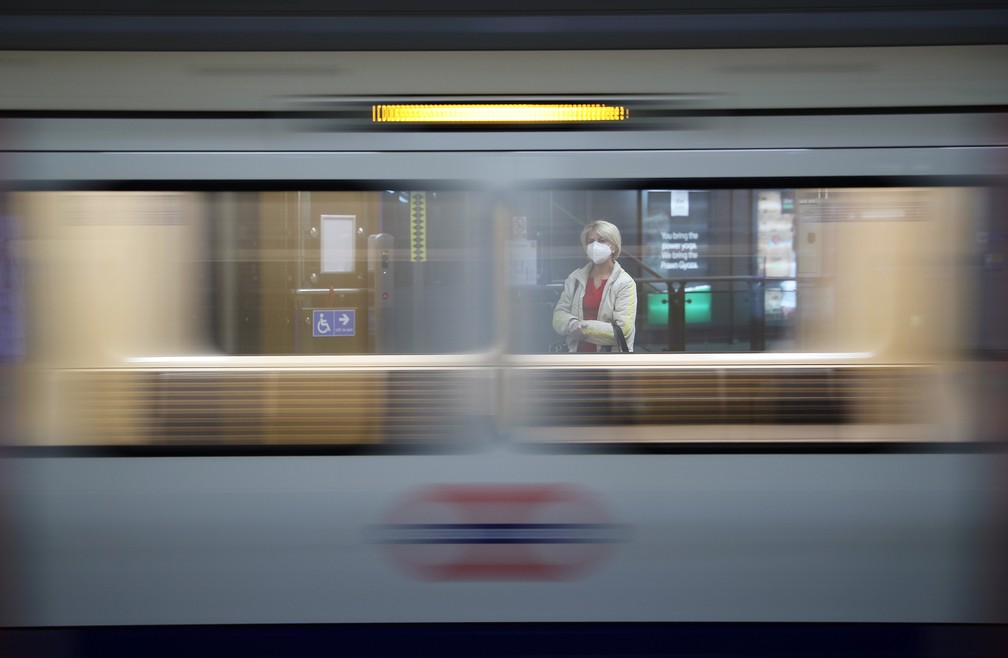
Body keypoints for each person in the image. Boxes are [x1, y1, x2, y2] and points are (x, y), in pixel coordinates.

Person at [552, 220, 637, 352]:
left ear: (614, 247)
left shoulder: (625, 282)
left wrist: (580, 328)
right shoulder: (575, 279)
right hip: (576, 356)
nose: (595, 246)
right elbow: (559, 314)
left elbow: (622, 330)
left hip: (610, 359)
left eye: (601, 240)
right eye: (590, 241)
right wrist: (571, 324)